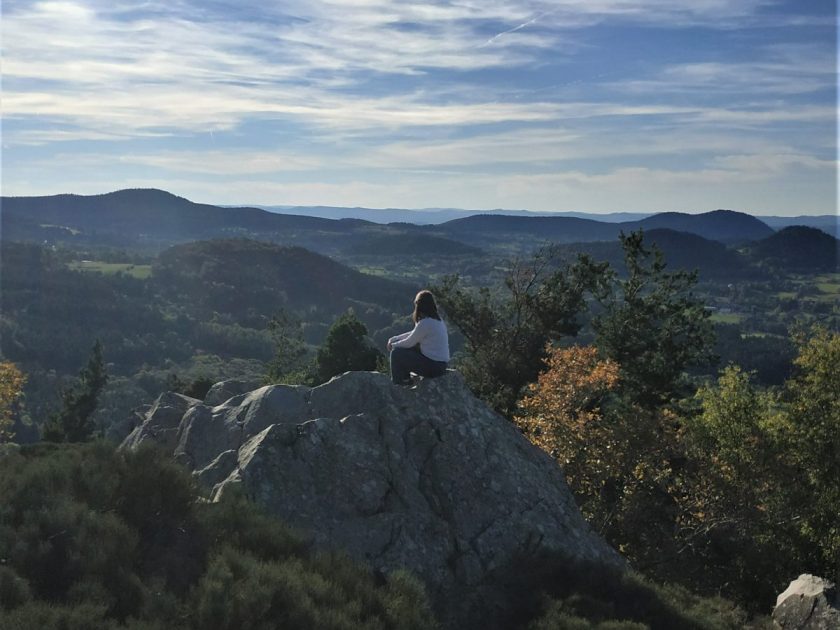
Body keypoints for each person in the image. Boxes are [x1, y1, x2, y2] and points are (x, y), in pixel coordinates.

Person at [387, 290, 449, 385]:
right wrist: (395, 339)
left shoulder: (425, 323)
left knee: (396, 353)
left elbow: (409, 342)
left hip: (433, 366)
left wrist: (393, 345)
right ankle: (406, 378)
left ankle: (400, 383)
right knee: (410, 349)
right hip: (441, 365)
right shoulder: (437, 320)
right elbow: (414, 333)